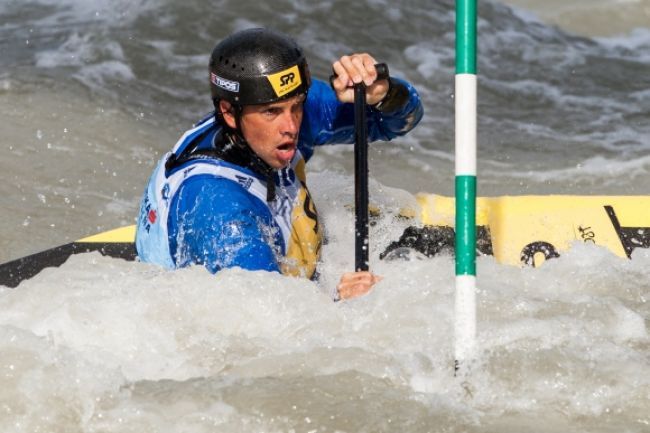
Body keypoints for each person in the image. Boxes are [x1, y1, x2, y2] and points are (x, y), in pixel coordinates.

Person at [135, 28, 423, 301]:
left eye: (296, 105)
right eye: (271, 112)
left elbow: (397, 122)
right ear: (229, 113)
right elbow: (276, 331)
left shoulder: (287, 113)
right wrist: (343, 303)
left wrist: (383, 94)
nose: (291, 126)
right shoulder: (223, 214)